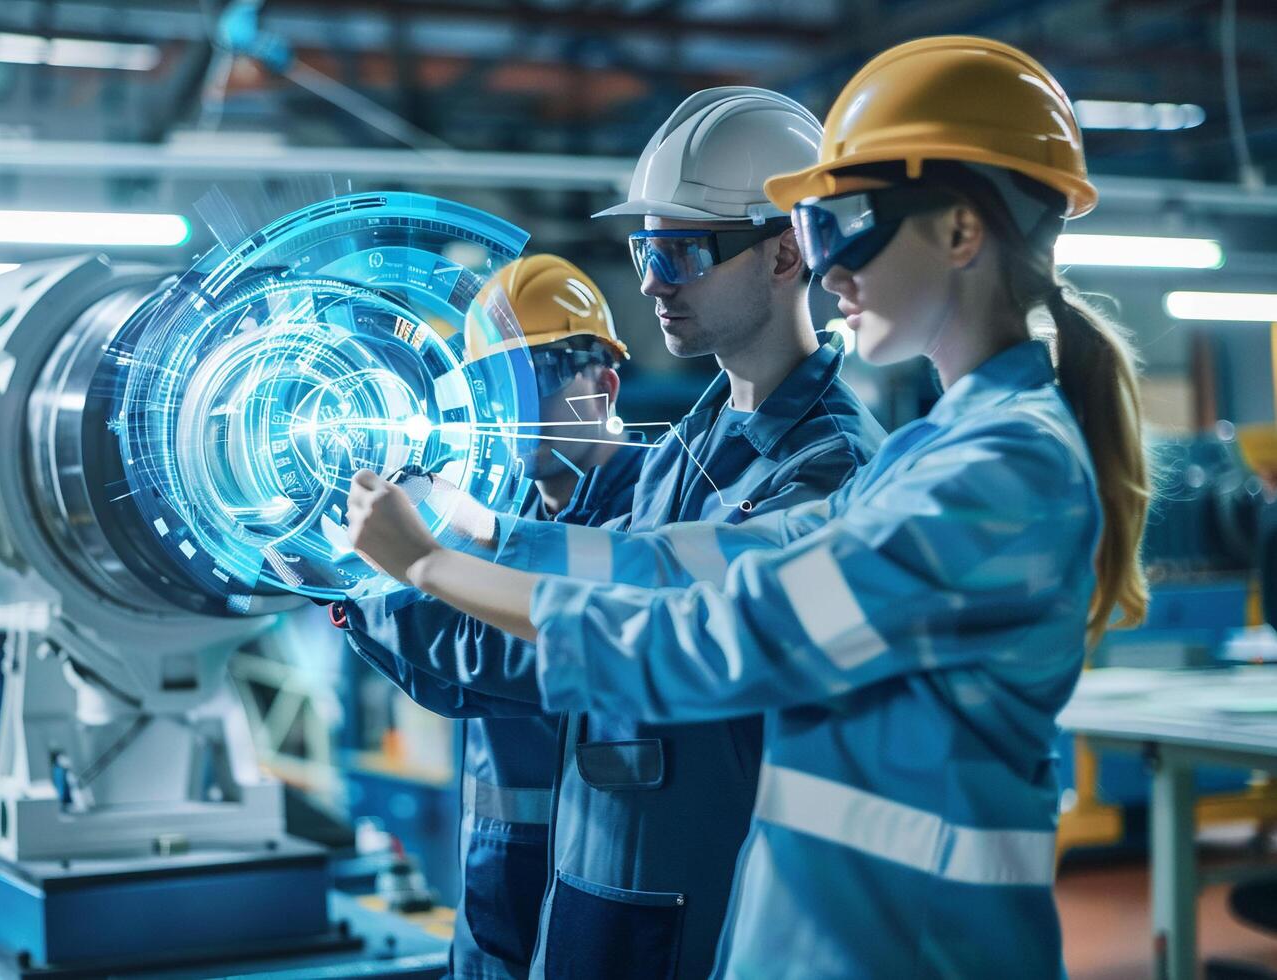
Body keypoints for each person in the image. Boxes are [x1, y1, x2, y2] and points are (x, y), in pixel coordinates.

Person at [345, 36, 1150, 979]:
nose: (831, 266)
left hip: (912, 949)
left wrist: (430, 569)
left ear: (962, 233)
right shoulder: (939, 452)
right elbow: (699, 560)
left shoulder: (996, 475)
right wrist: (487, 531)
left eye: (847, 224)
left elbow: (722, 632)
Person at [340, 87, 883, 979]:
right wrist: (355, 588)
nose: (652, 282)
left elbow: (650, 599)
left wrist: (442, 554)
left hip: (716, 913)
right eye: (644, 249)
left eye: (681, 250)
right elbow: (548, 647)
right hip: (594, 906)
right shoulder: (682, 453)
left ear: (787, 252)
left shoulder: (830, 468)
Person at [335, 253, 639, 980]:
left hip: (604, 901)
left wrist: (382, 582)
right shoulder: (497, 522)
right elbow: (452, 685)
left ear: (605, 384)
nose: (516, 408)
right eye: (496, 387)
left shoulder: (648, 526)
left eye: (539, 375)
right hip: (497, 896)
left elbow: (518, 659)